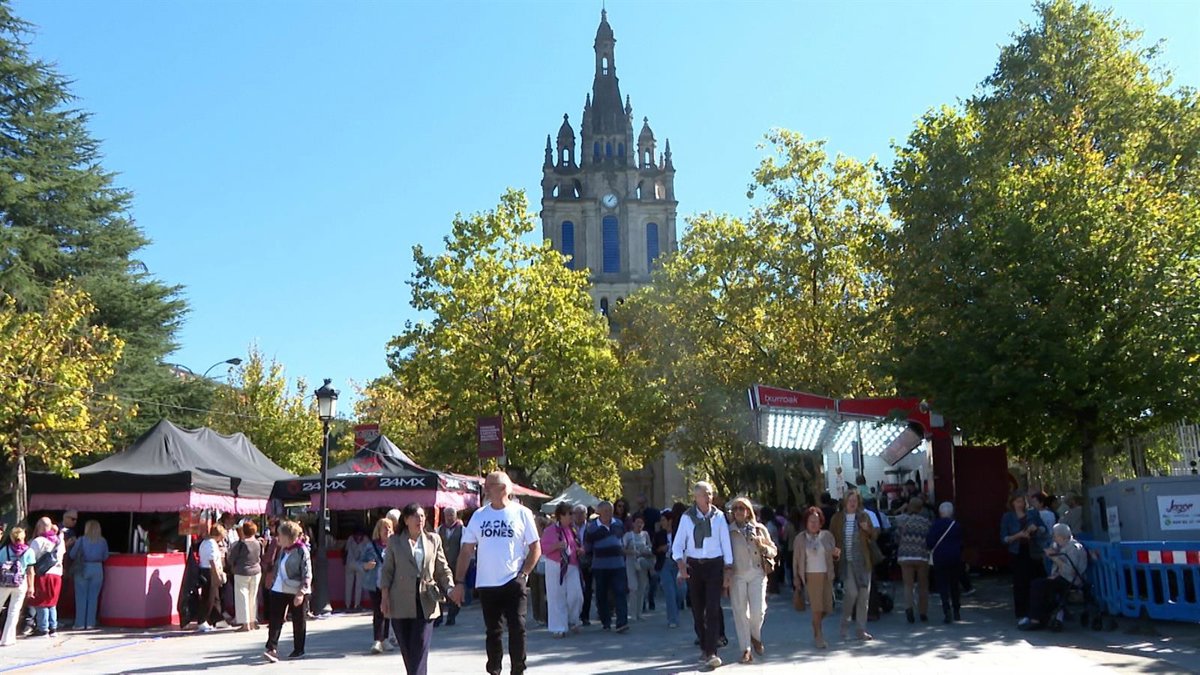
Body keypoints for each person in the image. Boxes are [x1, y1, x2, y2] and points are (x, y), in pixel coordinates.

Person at [449, 471, 541, 675]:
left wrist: (524, 574)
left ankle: (518, 670)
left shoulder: (521, 513)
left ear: (503, 488)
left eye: (489, 485)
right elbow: (466, 550)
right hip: (487, 583)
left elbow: (536, 548)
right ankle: (494, 670)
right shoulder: (479, 515)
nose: (485, 489)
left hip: (513, 580)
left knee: (518, 628)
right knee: (493, 632)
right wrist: (459, 582)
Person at [380, 503, 453, 675]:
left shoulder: (433, 539)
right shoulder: (395, 541)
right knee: (408, 651)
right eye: (414, 516)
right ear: (406, 520)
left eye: (422, 516)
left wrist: (450, 587)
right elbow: (387, 571)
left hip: (425, 600)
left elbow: (442, 568)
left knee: (419, 648)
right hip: (400, 601)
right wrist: (384, 597)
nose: (419, 519)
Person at [673, 481, 734, 669]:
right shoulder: (687, 518)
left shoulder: (719, 517)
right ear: (696, 497)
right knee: (698, 610)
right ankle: (703, 644)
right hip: (694, 566)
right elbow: (677, 545)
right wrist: (680, 563)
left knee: (713, 608)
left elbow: (725, 543)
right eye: (704, 494)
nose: (708, 497)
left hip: (714, 565)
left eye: (710, 493)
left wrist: (728, 568)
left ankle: (711, 652)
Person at [727, 496, 775, 664]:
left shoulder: (759, 529)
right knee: (740, 611)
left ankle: (755, 636)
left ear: (748, 511)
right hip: (737, 574)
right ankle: (746, 649)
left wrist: (762, 545)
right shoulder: (728, 531)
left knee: (758, 611)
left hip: (757, 572)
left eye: (742, 508)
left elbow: (773, 550)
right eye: (735, 509)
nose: (739, 511)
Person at [1019, 523, 1088, 631]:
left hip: (1071, 580)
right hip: (1063, 578)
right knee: (1040, 584)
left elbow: (1070, 571)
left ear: (1061, 536)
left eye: (1055, 536)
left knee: (1038, 585)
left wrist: (1054, 557)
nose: (1053, 538)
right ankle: (1039, 617)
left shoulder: (1073, 548)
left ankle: (1035, 620)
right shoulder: (1062, 546)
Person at [830, 489, 877, 641]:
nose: (852, 503)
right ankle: (844, 625)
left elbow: (874, 536)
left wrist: (867, 529)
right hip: (847, 562)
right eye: (850, 500)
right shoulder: (837, 518)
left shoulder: (863, 516)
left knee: (864, 597)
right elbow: (831, 537)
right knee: (851, 593)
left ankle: (861, 630)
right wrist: (833, 550)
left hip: (863, 562)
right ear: (845, 502)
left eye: (855, 501)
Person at [263, 521, 311, 662]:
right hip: (279, 588)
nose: (278, 537)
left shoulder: (302, 550)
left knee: (298, 619)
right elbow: (278, 567)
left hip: (295, 589)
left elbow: (307, 573)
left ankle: (298, 649)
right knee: (275, 619)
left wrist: (301, 592)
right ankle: (271, 648)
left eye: (280, 535)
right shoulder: (283, 550)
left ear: (288, 537)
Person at [793, 506, 837, 648]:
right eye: (811, 521)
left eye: (816, 521)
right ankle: (819, 635)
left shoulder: (827, 536)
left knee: (827, 607)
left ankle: (815, 623)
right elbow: (796, 560)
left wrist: (836, 556)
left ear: (821, 522)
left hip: (826, 575)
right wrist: (796, 578)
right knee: (817, 608)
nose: (813, 524)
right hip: (810, 576)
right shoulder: (800, 539)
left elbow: (835, 554)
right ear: (806, 522)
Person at [1000, 495, 1048, 620]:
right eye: (1018, 501)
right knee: (1020, 582)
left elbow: (1044, 530)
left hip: (1033, 551)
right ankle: (1022, 612)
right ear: (1012, 503)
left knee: (1037, 580)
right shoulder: (1008, 517)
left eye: (1023, 501)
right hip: (1017, 552)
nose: (1021, 504)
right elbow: (1004, 538)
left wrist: (1036, 528)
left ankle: (1038, 609)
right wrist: (1018, 535)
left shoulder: (1032, 514)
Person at [539, 502, 583, 638]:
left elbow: (576, 545)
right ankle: (558, 627)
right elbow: (542, 549)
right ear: (561, 516)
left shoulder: (573, 529)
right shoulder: (550, 530)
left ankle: (573, 619)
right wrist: (556, 546)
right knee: (556, 596)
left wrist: (580, 550)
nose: (572, 517)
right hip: (555, 564)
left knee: (576, 595)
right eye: (569, 514)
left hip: (572, 564)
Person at [584, 500, 628, 633]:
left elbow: (622, 540)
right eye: (605, 511)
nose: (608, 513)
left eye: (610, 511)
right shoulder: (592, 528)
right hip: (600, 566)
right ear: (599, 512)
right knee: (601, 594)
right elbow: (588, 547)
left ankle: (622, 622)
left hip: (618, 564)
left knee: (620, 592)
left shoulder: (618, 524)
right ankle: (605, 620)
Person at [895, 497, 932, 623]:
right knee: (923, 585)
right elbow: (930, 539)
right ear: (921, 509)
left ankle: (909, 609)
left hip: (905, 556)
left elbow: (896, 537)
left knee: (908, 585)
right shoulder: (926, 522)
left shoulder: (902, 521)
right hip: (921, 556)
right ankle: (923, 612)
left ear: (909, 506)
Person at [927, 501, 964, 623]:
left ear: (940, 512)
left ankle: (946, 610)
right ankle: (957, 610)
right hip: (955, 557)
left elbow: (929, 542)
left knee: (942, 585)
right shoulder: (956, 525)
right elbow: (961, 543)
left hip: (940, 558)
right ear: (952, 512)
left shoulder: (935, 525)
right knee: (954, 585)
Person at [28, 518, 65, 637]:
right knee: (52, 602)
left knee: (41, 602)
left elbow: (30, 558)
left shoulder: (38, 541)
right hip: (57, 574)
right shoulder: (59, 541)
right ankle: (53, 628)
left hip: (43, 573)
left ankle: (43, 629)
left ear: (39, 527)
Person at [69, 520, 109, 630]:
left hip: (82, 568)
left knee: (81, 596)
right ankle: (91, 623)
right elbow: (105, 556)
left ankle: (80, 623)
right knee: (93, 597)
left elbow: (72, 555)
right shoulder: (102, 541)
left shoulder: (81, 540)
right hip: (97, 568)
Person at [363, 517, 395, 654]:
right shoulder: (371, 546)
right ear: (379, 531)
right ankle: (377, 640)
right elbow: (362, 562)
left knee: (387, 611)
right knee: (378, 611)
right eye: (385, 528)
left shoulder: (395, 546)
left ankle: (385, 639)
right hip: (375, 583)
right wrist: (366, 565)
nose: (387, 531)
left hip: (391, 583)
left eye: (390, 528)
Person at [0, 527, 36, 646]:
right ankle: (8, 639)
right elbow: (30, 571)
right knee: (14, 611)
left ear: (11, 537)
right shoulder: (29, 551)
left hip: (4, 582)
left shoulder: (4, 550)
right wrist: (31, 587)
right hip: (20, 582)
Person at [230, 521, 263, 631]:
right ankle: (253, 621)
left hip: (242, 571)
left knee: (242, 597)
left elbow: (232, 558)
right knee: (253, 597)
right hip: (256, 571)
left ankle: (245, 624)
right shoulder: (258, 543)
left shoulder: (241, 544)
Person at [652, 508, 681, 628]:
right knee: (669, 592)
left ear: (670, 521)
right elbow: (653, 549)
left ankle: (677, 610)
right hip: (664, 564)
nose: (661, 522)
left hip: (677, 564)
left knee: (680, 591)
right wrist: (660, 549)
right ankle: (672, 619)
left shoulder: (678, 533)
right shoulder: (659, 535)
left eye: (664, 520)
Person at [436, 507, 464, 627]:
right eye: (447, 515)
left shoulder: (462, 530)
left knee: (455, 590)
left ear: (456, 516)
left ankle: (452, 616)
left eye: (451, 515)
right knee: (440, 591)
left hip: (457, 565)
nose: (449, 517)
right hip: (442, 566)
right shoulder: (438, 530)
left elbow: (465, 548)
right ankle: (439, 617)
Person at [197, 524, 227, 632]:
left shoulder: (206, 542)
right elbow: (212, 560)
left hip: (207, 570)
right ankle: (202, 620)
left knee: (215, 597)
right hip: (210, 571)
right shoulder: (211, 543)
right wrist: (217, 575)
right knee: (209, 597)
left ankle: (217, 618)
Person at [622, 515, 652, 622]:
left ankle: (639, 613)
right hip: (631, 562)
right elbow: (622, 549)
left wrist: (646, 552)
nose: (639, 525)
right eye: (637, 522)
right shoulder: (628, 535)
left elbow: (650, 547)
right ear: (633, 523)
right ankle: (632, 613)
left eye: (641, 523)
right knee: (633, 587)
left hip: (642, 563)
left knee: (642, 587)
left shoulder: (645, 534)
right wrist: (631, 552)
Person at [568, 505, 593, 626]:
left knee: (587, 589)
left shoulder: (591, 527)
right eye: (575, 513)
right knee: (574, 589)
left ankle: (585, 616)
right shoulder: (569, 527)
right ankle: (573, 615)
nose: (578, 516)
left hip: (587, 561)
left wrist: (585, 549)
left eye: (581, 513)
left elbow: (594, 543)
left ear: (586, 514)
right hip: (572, 561)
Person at [344, 527, 369, 613]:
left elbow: (346, 550)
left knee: (348, 585)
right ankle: (356, 605)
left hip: (349, 563)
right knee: (358, 586)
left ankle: (347, 605)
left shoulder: (350, 538)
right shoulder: (365, 539)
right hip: (360, 564)